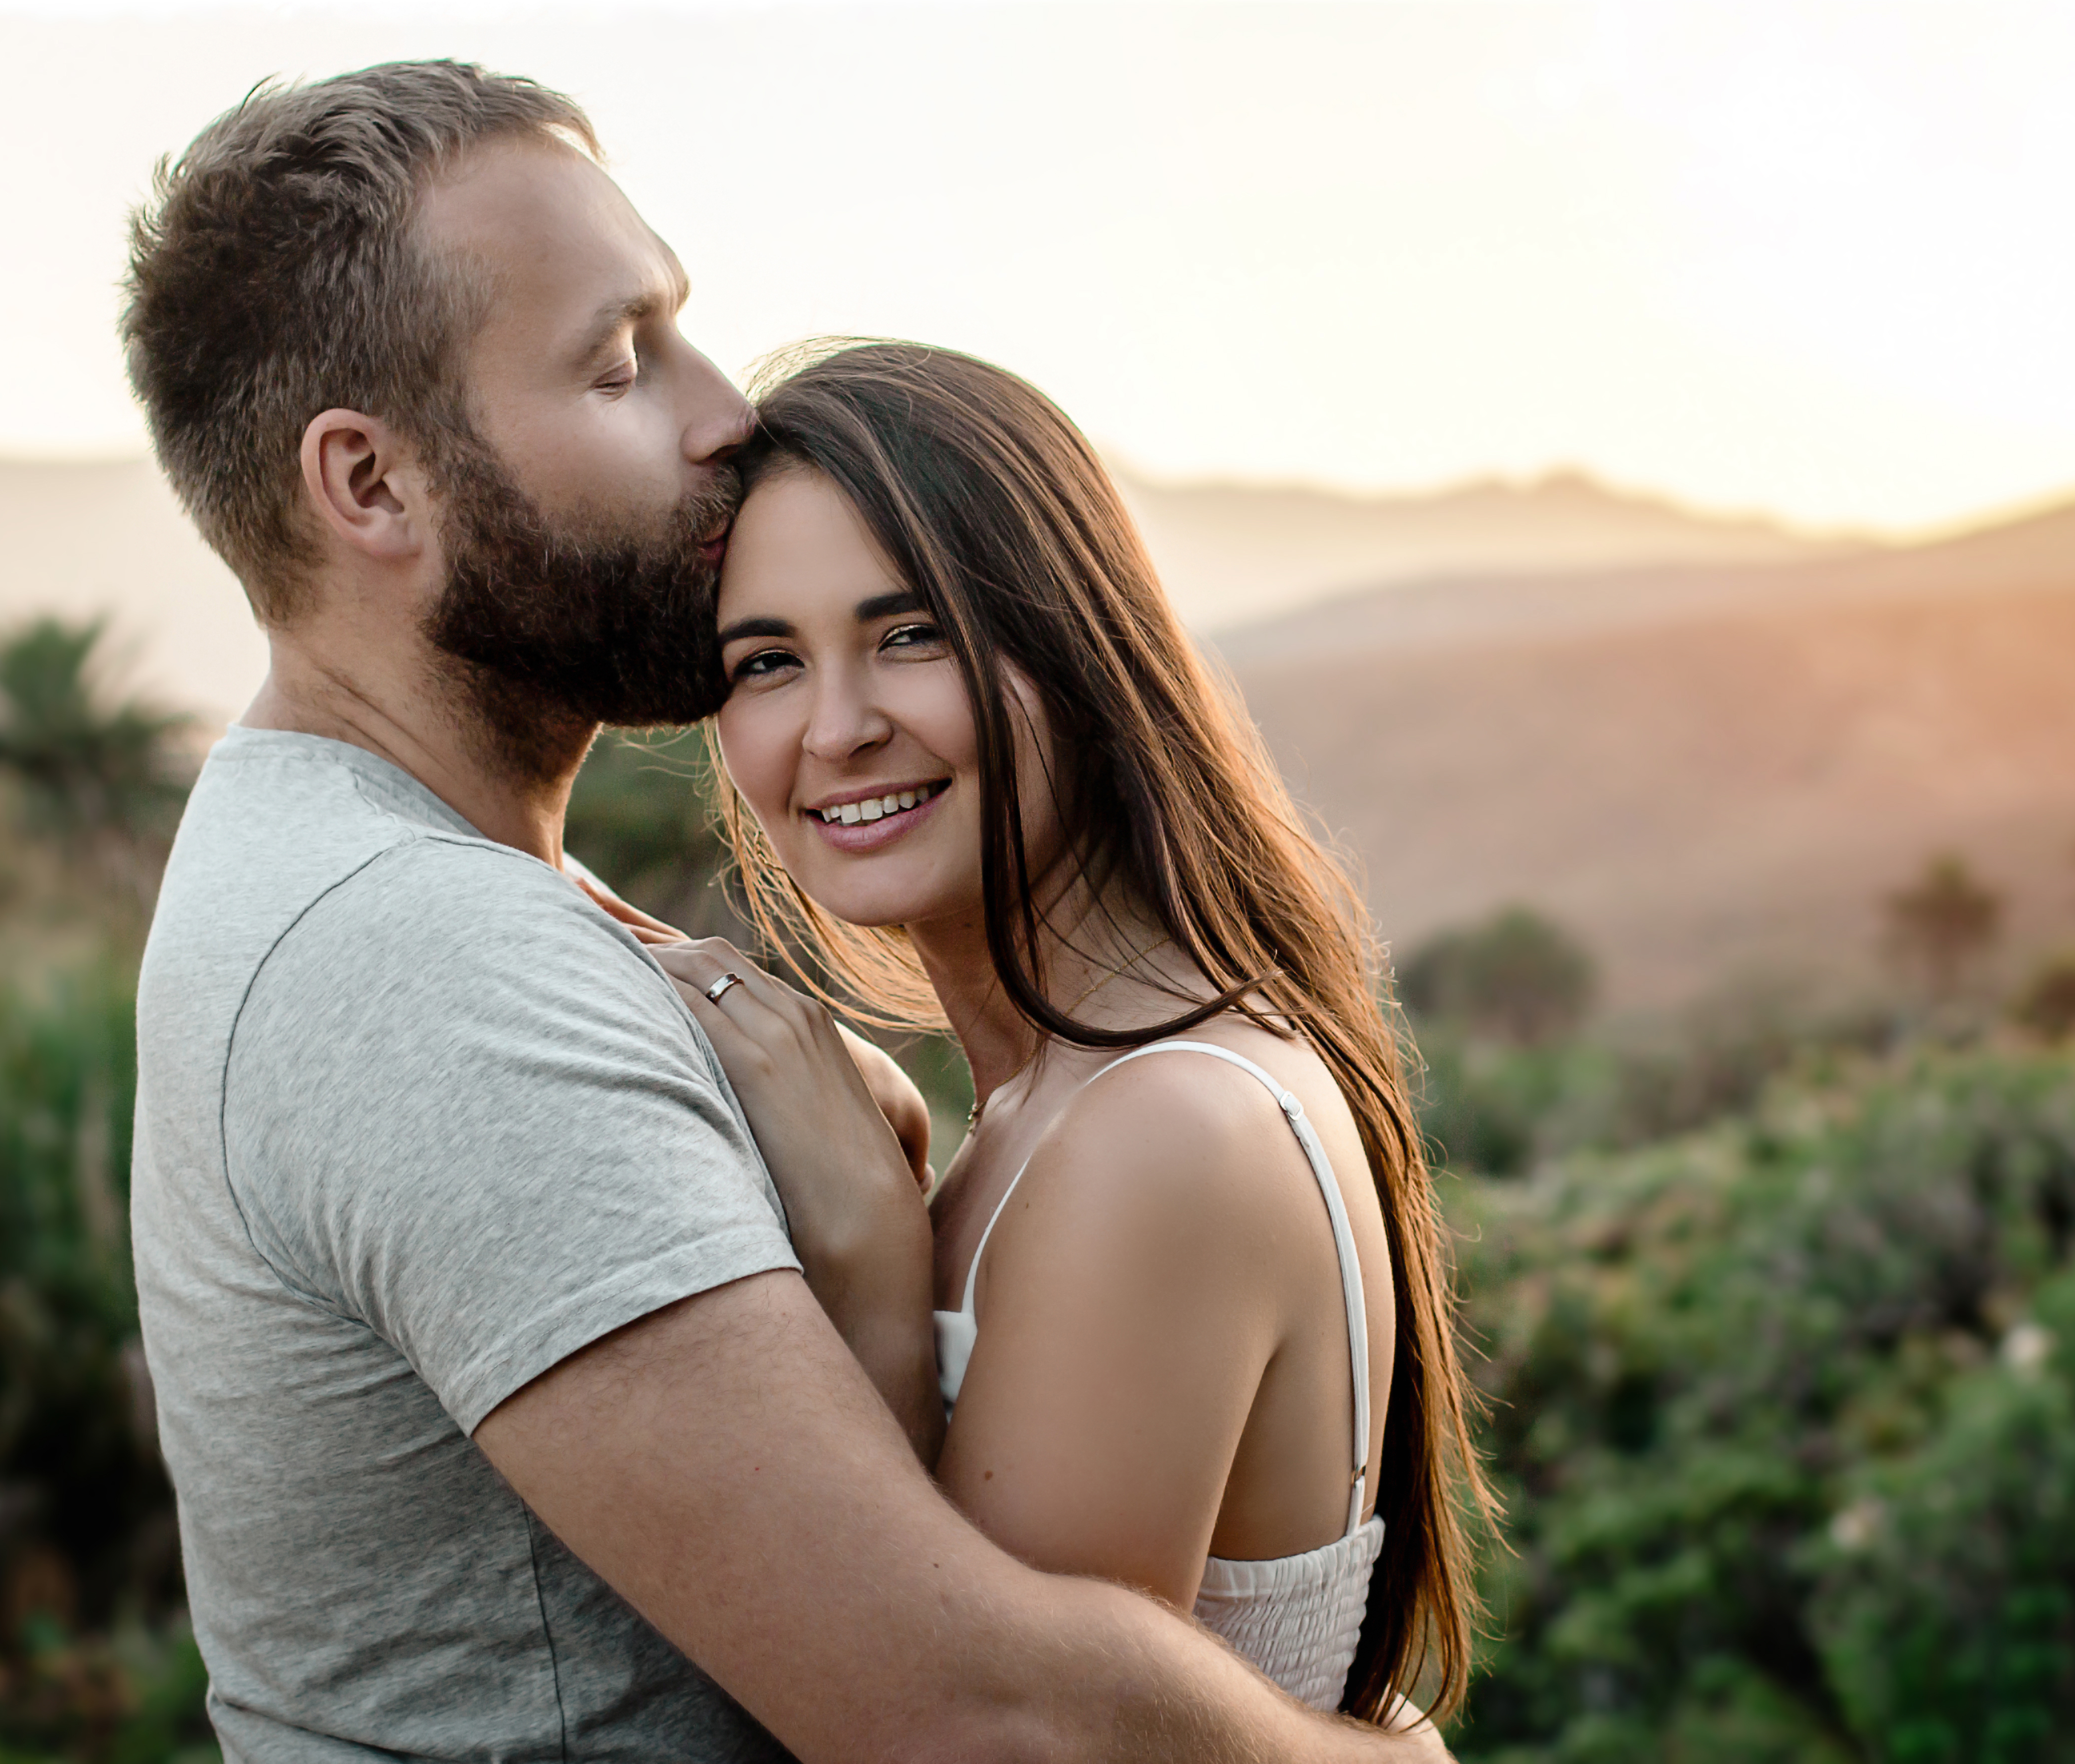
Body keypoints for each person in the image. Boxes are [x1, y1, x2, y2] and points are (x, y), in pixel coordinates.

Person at [122, 59, 1454, 1763]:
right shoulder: (428, 961)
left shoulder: (412, 876)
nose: (719, 414)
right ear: (370, 488)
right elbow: (971, 1719)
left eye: (904, 633)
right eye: (619, 363)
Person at [602, 343, 1488, 1728]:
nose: (835, 727)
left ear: (1071, 645)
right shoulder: (1062, 1099)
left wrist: (870, 1269)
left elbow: (987, 1732)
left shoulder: (1158, 1131)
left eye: (911, 634)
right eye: (766, 661)